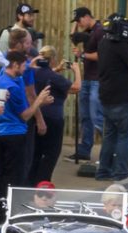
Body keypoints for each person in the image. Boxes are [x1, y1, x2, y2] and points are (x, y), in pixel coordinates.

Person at [0, 52, 51, 216]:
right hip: (15, 134)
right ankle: (10, 211)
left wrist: (29, 68)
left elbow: (19, 80)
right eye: (23, 65)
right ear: (16, 65)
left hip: (1, 132)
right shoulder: (12, 87)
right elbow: (25, 115)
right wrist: (39, 101)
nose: (25, 68)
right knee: (14, 175)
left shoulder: (5, 79)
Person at [98, 17, 128, 180]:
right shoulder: (121, 46)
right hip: (122, 99)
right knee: (125, 136)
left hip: (106, 97)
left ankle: (103, 171)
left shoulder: (104, 43)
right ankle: (120, 173)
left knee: (110, 135)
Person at [30, 47, 78, 185]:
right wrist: (77, 71)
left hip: (36, 116)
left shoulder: (33, 73)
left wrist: (56, 69)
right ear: (53, 60)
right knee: (50, 155)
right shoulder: (54, 78)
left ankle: (30, 184)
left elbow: (42, 73)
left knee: (35, 154)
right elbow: (76, 87)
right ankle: (43, 185)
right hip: (54, 119)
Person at [70, 7, 104, 163]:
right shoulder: (88, 32)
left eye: (79, 20)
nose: (78, 24)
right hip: (87, 79)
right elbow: (73, 36)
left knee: (96, 116)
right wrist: (75, 28)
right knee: (85, 117)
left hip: (97, 79)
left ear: (86, 17)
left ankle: (109, 151)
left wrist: (82, 55)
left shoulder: (99, 30)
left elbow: (102, 54)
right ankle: (84, 150)